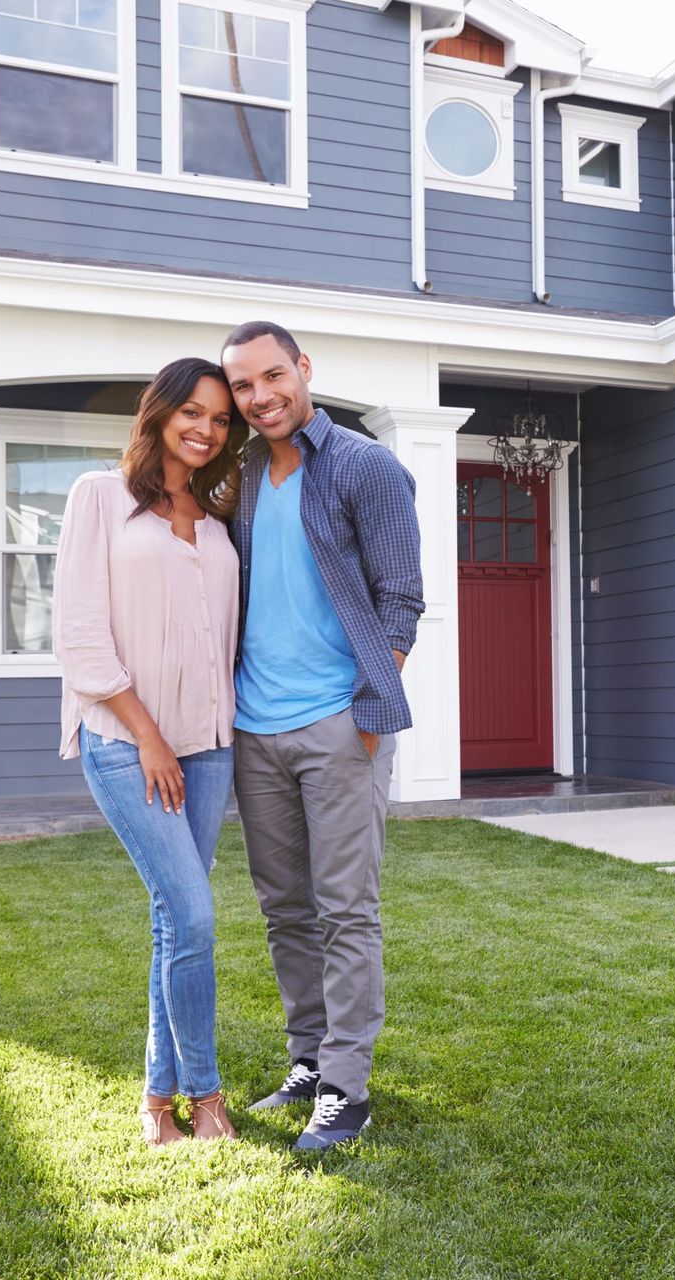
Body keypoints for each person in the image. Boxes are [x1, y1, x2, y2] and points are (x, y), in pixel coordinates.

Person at [221, 320, 424, 1151]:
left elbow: (402, 598)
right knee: (284, 911)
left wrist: (367, 707)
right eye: (243, 385)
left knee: (346, 910)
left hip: (339, 725)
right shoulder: (237, 478)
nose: (261, 396)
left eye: (274, 376)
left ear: (304, 369)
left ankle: (346, 1086)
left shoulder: (365, 466)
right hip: (254, 728)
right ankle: (307, 1059)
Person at [53, 358, 247, 1147]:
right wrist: (148, 735)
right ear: (160, 411)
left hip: (210, 748)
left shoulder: (218, 515)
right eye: (192, 412)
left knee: (177, 923)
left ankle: (154, 1102)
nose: (205, 429)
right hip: (129, 746)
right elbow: (79, 636)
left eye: (221, 418)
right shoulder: (99, 497)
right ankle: (205, 1097)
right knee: (193, 913)